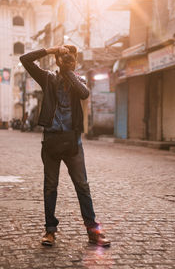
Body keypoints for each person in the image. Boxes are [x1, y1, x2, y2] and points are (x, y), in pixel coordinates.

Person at [20, 45, 110, 247]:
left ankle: (93, 231)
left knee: (83, 186)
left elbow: (84, 93)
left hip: (73, 143)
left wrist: (68, 71)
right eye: (64, 57)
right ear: (57, 60)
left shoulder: (79, 79)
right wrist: (50, 50)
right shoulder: (48, 78)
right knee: (50, 186)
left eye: (72, 57)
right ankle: (50, 231)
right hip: (51, 141)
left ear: (76, 61)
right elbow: (25, 59)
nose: (69, 59)